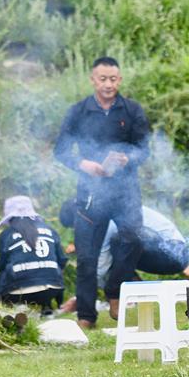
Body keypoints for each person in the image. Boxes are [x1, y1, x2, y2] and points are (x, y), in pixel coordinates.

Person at [53, 56, 150, 329]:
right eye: (103, 79)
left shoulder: (131, 110)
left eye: (113, 79)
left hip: (125, 191)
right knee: (86, 256)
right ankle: (86, 315)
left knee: (133, 239)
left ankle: (114, 290)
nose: (108, 84)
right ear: (93, 80)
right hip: (90, 191)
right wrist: (83, 164)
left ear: (120, 80)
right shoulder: (78, 111)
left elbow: (145, 149)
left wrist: (128, 159)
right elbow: (60, 150)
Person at [57, 204, 189, 314]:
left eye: (76, 226)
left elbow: (101, 267)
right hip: (168, 251)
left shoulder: (106, 219)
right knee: (123, 249)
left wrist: (82, 298)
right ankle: (136, 294)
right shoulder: (110, 209)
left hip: (172, 252)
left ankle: (117, 297)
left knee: (122, 241)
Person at [0, 196, 67, 313]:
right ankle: (46, 305)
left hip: (19, 293)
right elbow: (62, 261)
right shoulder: (50, 230)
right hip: (52, 289)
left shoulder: (7, 234)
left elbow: (1, 266)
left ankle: (11, 308)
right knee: (50, 271)